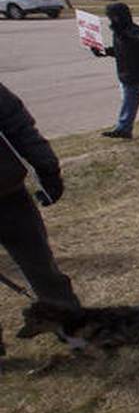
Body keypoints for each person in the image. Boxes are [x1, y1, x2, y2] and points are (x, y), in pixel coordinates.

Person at [0, 82, 81, 336]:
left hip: (8, 195)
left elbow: (20, 127)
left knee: (42, 269)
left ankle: (74, 329)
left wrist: (47, 170)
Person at [94, 2, 139, 139]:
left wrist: (119, 32)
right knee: (128, 104)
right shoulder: (118, 34)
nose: (112, 20)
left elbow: (133, 43)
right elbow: (120, 51)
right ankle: (123, 129)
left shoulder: (136, 31)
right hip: (128, 76)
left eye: (113, 17)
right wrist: (103, 51)